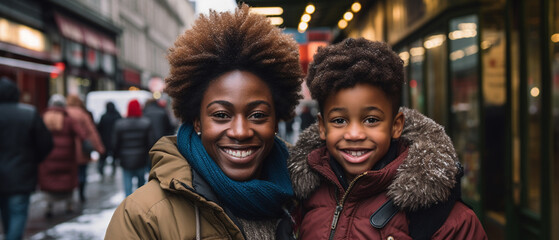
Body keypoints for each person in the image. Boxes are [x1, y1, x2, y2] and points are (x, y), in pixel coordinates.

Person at [105, 5, 303, 239]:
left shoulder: (311, 201)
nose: (240, 132)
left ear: (277, 121)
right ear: (197, 121)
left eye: (257, 115)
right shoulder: (144, 218)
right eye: (221, 115)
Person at [287, 38, 488, 239]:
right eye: (339, 120)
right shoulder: (302, 198)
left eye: (371, 120)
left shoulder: (443, 217)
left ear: (396, 125)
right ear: (322, 127)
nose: (355, 134)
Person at [0, 77, 53, 240]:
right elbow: (45, 143)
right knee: (18, 212)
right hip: (22, 172)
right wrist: (33, 160)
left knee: (6, 212)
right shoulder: (28, 113)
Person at [39, 94, 87, 218]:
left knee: (49, 179)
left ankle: (49, 205)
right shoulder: (68, 120)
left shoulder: (43, 117)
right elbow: (81, 134)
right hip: (67, 156)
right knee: (68, 179)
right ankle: (68, 205)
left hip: (48, 156)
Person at [66, 94, 105, 202]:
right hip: (82, 149)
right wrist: (99, 147)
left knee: (70, 172)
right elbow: (91, 131)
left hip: (67, 149)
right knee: (82, 172)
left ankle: (69, 196)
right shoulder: (82, 114)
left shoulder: (64, 112)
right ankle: (81, 194)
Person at [113, 99, 154, 196]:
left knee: (127, 187)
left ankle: (128, 207)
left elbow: (115, 143)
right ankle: (139, 206)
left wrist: (116, 157)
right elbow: (151, 143)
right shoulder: (146, 123)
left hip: (125, 160)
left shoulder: (120, 124)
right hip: (141, 159)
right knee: (141, 186)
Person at [96, 101, 122, 178]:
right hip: (115, 141)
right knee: (114, 158)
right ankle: (113, 171)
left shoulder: (104, 116)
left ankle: (101, 171)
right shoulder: (117, 116)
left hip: (105, 140)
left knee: (103, 158)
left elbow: (99, 129)